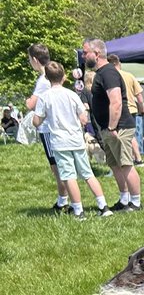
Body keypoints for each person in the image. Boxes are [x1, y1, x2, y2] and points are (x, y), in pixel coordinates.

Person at [31, 62, 111, 219]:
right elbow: (84, 118)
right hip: (76, 140)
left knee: (68, 176)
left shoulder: (44, 97)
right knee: (88, 173)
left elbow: (36, 121)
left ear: (46, 77)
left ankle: (78, 210)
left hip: (59, 143)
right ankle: (103, 206)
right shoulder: (72, 94)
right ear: (64, 77)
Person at [83, 39, 142, 212]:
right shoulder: (101, 73)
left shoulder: (108, 73)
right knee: (115, 164)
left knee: (125, 164)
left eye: (86, 52)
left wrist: (112, 127)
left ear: (97, 53)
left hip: (119, 127)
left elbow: (116, 102)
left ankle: (136, 203)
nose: (84, 55)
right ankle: (124, 199)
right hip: (109, 127)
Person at [24, 43, 69, 211]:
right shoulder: (52, 75)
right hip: (56, 126)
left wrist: (28, 101)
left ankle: (63, 200)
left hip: (48, 128)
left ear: (35, 59)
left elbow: (31, 104)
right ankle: (63, 199)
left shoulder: (43, 80)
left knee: (56, 166)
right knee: (58, 164)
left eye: (30, 59)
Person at [107, 54, 144, 167]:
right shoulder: (129, 76)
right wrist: (142, 109)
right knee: (130, 135)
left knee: (119, 136)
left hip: (118, 109)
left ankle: (128, 160)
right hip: (132, 108)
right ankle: (137, 158)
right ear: (118, 63)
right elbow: (139, 96)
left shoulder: (110, 77)